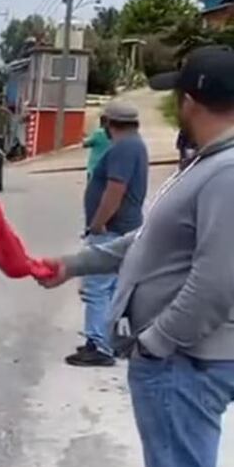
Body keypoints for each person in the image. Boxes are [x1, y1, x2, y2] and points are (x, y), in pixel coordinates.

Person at [36, 46, 234, 467]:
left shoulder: (226, 173)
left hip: (184, 364)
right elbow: (146, 244)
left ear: (192, 102)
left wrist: (156, 343)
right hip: (180, 361)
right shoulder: (209, 166)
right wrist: (73, 264)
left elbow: (217, 283)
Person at [68, 101, 149, 367]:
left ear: (108, 124)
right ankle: (106, 339)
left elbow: (115, 189)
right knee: (111, 288)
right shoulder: (135, 145)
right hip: (123, 227)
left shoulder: (124, 149)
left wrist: (98, 223)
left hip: (112, 229)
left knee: (96, 288)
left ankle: (99, 346)